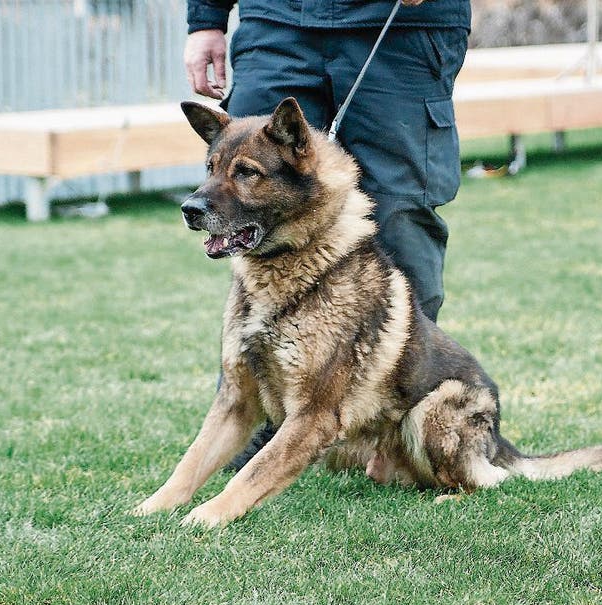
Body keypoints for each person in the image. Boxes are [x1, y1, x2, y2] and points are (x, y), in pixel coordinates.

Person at [184, 0, 471, 471]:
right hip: (276, 22)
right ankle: (264, 421)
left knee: (401, 214)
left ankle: (394, 420)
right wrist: (205, 20)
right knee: (249, 213)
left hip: (398, 26)